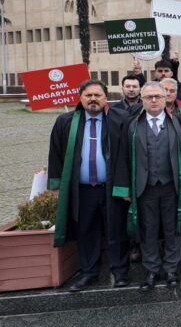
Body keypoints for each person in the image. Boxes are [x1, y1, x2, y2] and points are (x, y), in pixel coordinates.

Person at [114, 81, 181, 292]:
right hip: (144, 187)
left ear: (165, 99)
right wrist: (125, 189)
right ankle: (151, 269)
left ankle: (171, 269)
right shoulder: (131, 125)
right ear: (142, 100)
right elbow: (122, 157)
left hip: (173, 187)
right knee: (147, 229)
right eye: (149, 97)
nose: (153, 100)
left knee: (174, 229)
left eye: (157, 97)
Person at [48, 80, 130, 292]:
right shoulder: (65, 122)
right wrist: (56, 187)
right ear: (80, 98)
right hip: (82, 190)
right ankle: (89, 273)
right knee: (86, 231)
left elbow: (128, 154)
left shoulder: (120, 119)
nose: (93, 99)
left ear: (105, 98)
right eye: (88, 95)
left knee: (116, 230)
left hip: (111, 189)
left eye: (97, 95)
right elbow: (55, 155)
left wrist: (126, 185)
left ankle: (120, 271)